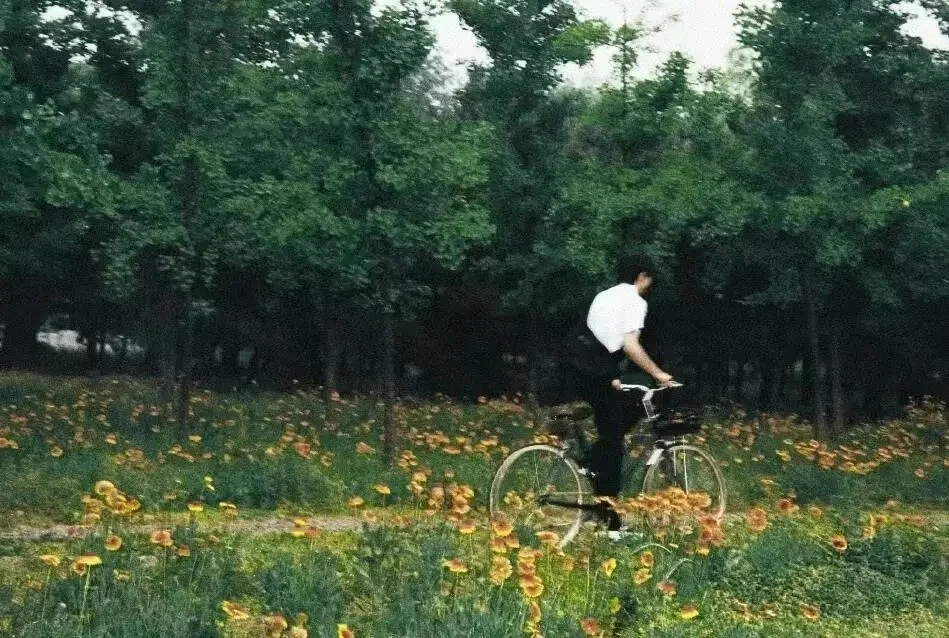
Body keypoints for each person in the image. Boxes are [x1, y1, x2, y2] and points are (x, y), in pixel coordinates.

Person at [563, 253, 676, 530]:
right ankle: (611, 523)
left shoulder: (604, 295)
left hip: (575, 363)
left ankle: (596, 471)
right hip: (595, 368)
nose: (650, 286)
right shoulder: (635, 301)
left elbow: (598, 334)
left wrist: (612, 376)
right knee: (614, 439)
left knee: (610, 431)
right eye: (650, 279)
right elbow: (630, 345)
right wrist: (658, 374)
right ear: (642, 276)